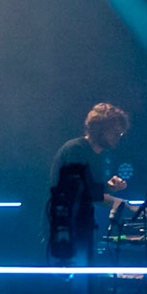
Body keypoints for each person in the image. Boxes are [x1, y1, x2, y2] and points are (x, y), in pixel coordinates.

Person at [48, 102, 132, 238]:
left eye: (120, 133)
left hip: (79, 227)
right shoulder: (76, 150)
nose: (118, 136)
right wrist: (117, 199)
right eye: (114, 132)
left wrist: (109, 189)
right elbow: (78, 192)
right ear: (98, 128)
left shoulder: (95, 154)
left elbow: (90, 192)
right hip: (63, 230)